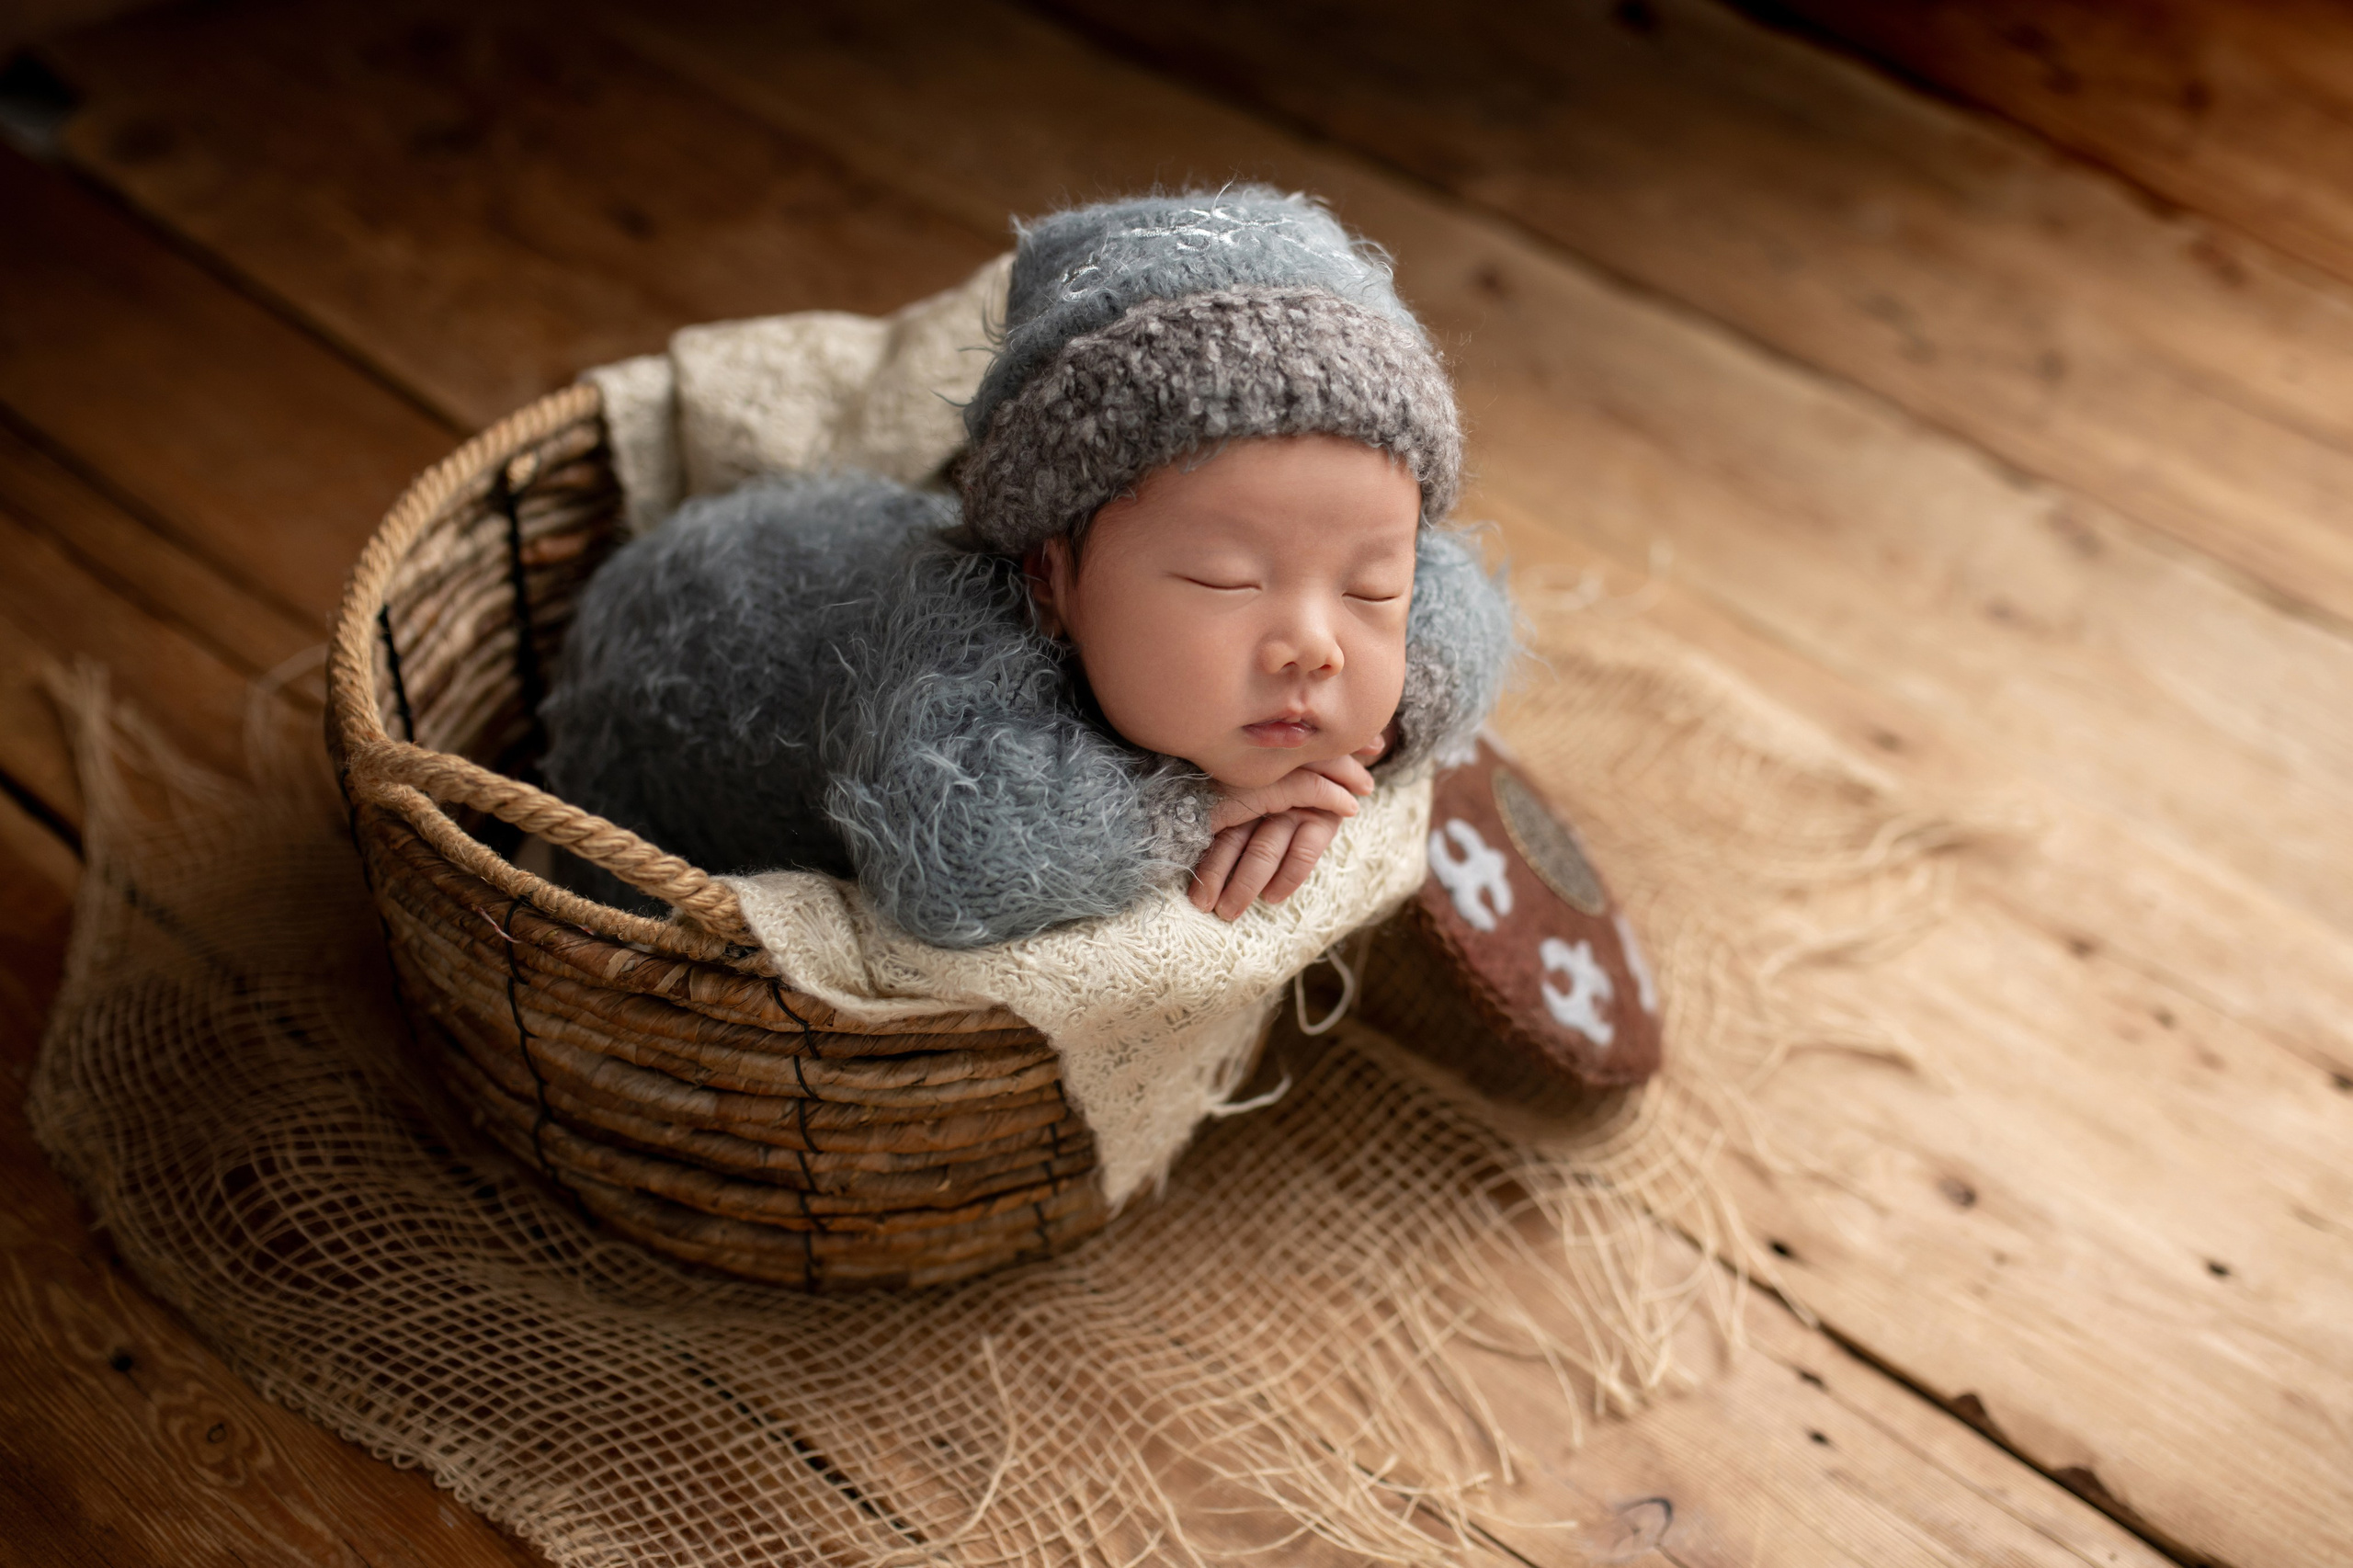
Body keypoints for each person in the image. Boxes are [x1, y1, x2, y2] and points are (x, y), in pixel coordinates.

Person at [540, 187, 1515, 949]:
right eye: (1224, 578)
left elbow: (1458, 601)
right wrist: (1196, 808)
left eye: (1370, 587)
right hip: (659, 692)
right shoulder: (963, 655)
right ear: (1050, 581)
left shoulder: (1331, 578)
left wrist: (1374, 735)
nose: (1315, 644)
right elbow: (952, 858)